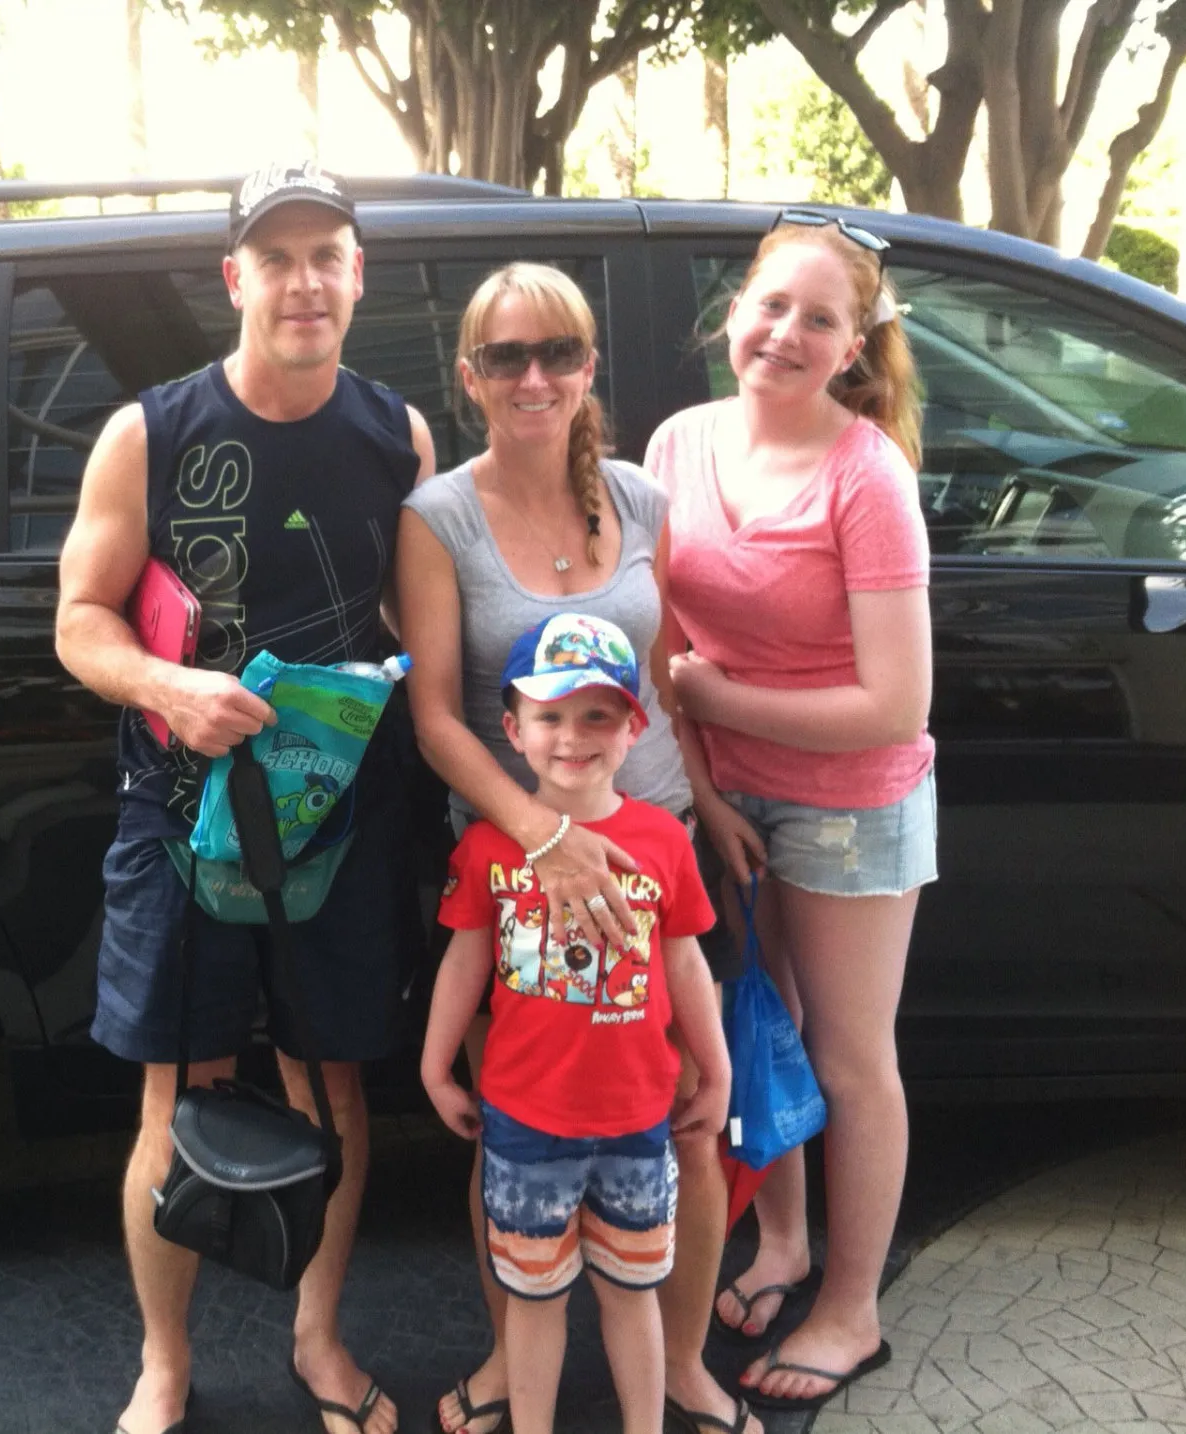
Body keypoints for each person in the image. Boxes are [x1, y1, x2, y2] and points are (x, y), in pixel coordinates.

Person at [54, 161, 435, 1434]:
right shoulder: (150, 431)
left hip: (341, 822)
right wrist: (169, 689)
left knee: (333, 1087)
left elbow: (423, 631)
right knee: (180, 1091)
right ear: (237, 279)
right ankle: (164, 1363)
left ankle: (318, 1341)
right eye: (277, 259)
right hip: (180, 815)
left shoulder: (400, 433)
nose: (305, 281)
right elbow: (77, 619)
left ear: (358, 277)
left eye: (328, 255)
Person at [398, 262, 757, 1434]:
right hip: (517, 858)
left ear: (589, 364)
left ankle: (685, 1360)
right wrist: (545, 837)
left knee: (684, 1120)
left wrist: (704, 803)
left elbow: (662, 682)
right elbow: (440, 716)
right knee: (523, 1119)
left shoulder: (639, 500)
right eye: (506, 357)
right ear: (471, 378)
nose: (534, 376)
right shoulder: (439, 517)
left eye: (557, 351)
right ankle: (517, 1357)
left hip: (652, 855)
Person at [644, 210, 935, 1413]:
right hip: (733, 791)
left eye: (821, 319)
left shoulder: (868, 475)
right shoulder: (677, 442)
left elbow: (893, 703)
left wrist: (720, 696)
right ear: (733, 312)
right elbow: (661, 637)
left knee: (849, 1057)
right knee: (768, 1024)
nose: (787, 333)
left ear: (857, 346)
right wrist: (707, 788)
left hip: (850, 805)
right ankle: (785, 1243)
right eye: (772, 306)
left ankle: (852, 1307)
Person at [421, 613, 730, 1434]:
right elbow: (464, 960)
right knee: (533, 1302)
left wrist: (718, 1065)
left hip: (639, 1120)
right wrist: (436, 1064)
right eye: (551, 715)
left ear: (634, 727)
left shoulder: (664, 840)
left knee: (633, 1296)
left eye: (598, 714)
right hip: (525, 1123)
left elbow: (687, 962)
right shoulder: (490, 846)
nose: (573, 736)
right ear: (512, 729)